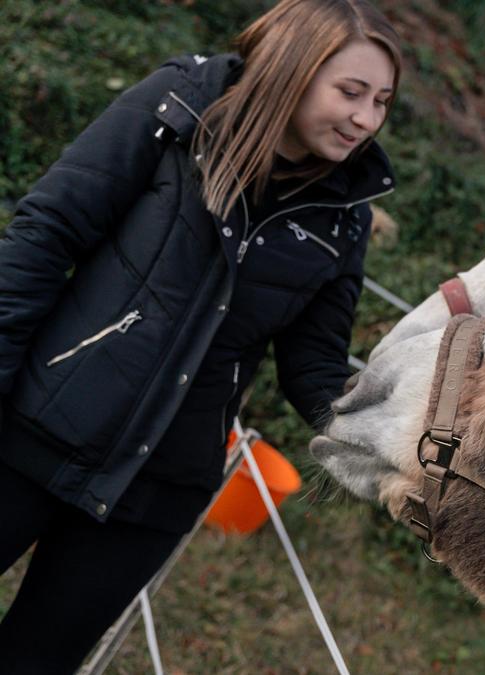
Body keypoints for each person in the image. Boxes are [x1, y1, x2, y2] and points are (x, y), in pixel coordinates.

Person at [0, 0, 402, 670]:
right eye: (350, 92)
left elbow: (314, 365)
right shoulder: (178, 107)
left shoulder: (346, 213)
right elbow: (45, 234)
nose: (366, 119)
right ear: (293, 70)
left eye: (383, 101)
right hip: (31, 430)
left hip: (155, 493)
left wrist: (398, 431)